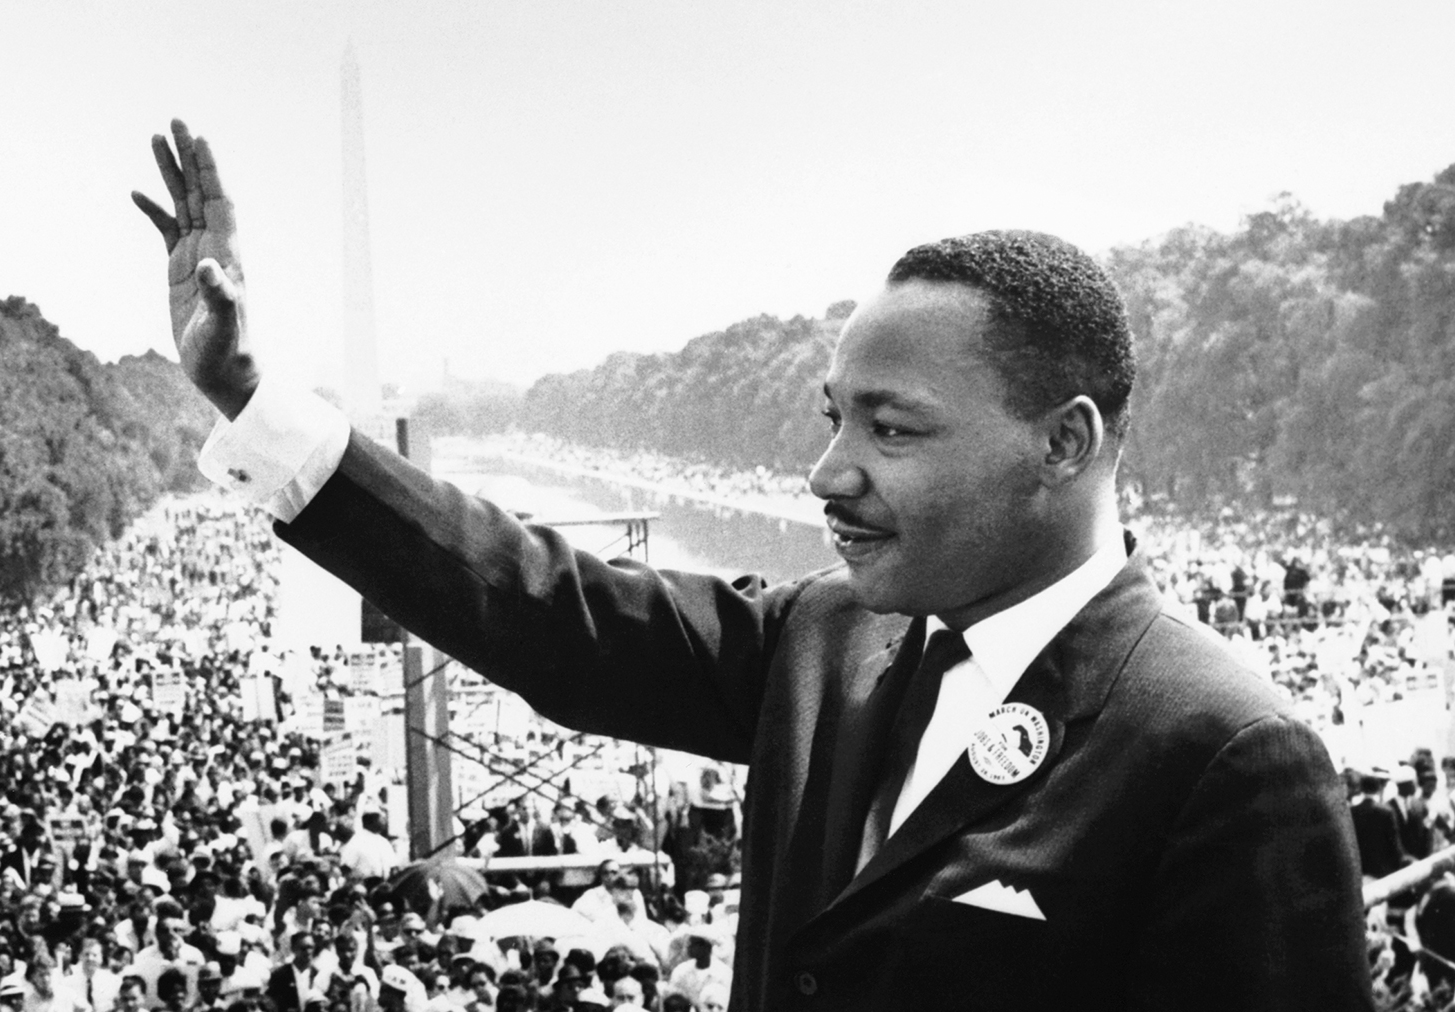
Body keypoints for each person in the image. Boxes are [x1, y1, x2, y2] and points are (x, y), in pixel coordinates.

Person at [136, 120, 1371, 1010]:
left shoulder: (1223, 752)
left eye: (891, 428)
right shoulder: (824, 636)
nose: (828, 473)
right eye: (830, 417)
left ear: (1063, 443)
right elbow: (542, 610)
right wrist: (253, 399)